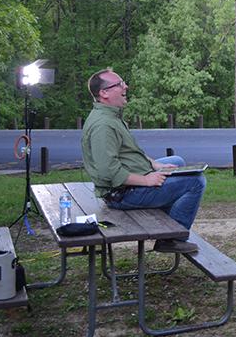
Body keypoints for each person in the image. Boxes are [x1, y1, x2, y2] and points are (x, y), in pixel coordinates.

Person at [81, 68, 206, 254]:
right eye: (119, 84)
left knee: (177, 161)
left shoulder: (111, 116)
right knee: (196, 182)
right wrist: (147, 180)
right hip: (122, 194)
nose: (126, 86)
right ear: (104, 93)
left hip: (129, 183)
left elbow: (129, 153)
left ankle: (167, 220)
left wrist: (155, 165)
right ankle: (171, 239)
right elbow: (108, 171)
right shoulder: (103, 126)